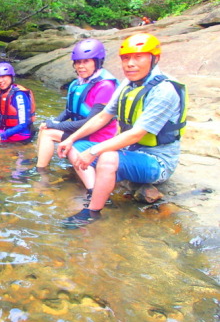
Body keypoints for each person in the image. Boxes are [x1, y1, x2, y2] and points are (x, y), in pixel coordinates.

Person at [57, 33, 187, 228]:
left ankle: (92, 212)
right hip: (130, 152)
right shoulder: (127, 84)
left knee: (107, 157)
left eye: (138, 57)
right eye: (126, 58)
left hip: (158, 162)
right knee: (75, 146)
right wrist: (70, 139)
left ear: (154, 58)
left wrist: (94, 151)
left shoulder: (164, 90)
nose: (130, 64)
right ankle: (95, 189)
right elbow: (102, 117)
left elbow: (136, 134)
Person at [22, 39, 118, 179]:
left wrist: (56, 125)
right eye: (78, 62)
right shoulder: (76, 84)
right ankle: (40, 162)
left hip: (97, 137)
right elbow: (69, 111)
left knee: (48, 133)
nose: (80, 66)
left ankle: (40, 172)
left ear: (97, 62)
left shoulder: (106, 87)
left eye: (86, 62)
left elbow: (91, 123)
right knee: (45, 128)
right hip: (82, 131)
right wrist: (53, 121)